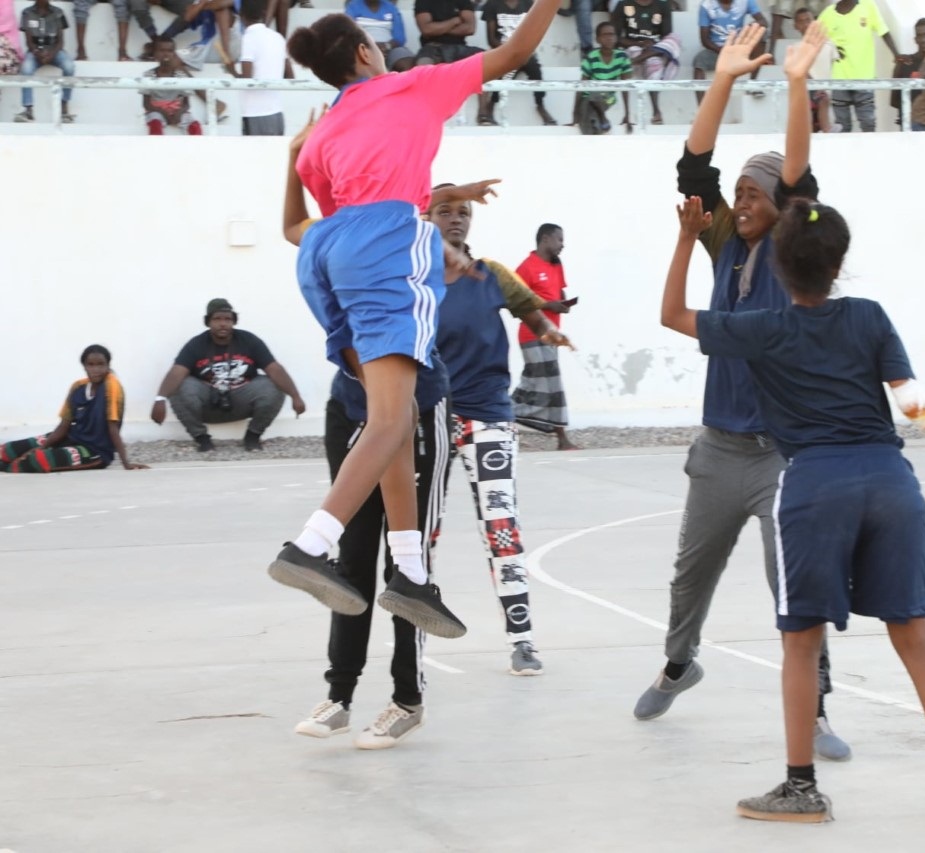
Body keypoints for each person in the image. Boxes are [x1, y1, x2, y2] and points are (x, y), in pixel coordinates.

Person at [661, 26, 925, 826]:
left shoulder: (763, 324)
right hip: (890, 481)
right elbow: (910, 399)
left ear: (784, 236)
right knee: (914, 634)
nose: (740, 203)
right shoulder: (868, 310)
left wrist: (679, 240)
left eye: (757, 197)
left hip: (807, 478)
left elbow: (674, 313)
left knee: (800, 636)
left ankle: (801, 783)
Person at [270, 7, 558, 638]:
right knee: (393, 420)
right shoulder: (412, 84)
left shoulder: (324, 135)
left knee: (390, 419)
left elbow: (312, 224)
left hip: (327, 256)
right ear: (367, 55)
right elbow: (510, 56)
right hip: (387, 251)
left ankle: (409, 573)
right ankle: (311, 545)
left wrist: (293, 156)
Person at [631, 25, 852, 769]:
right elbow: (693, 168)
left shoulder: (794, 251)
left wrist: (794, 84)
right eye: (743, 193)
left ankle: (816, 706)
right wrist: (722, 79)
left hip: (783, 455)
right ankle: (677, 661)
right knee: (691, 575)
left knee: (793, 583)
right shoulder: (724, 240)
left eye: (760, 192)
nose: (747, 199)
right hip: (719, 447)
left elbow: (795, 172)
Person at [427, 184, 574, 674]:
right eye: (443, 211)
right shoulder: (413, 278)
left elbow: (528, 307)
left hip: (489, 415)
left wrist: (548, 328)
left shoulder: (492, 274)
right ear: (425, 217)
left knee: (501, 529)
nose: (455, 219)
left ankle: (523, 640)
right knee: (421, 533)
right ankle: (414, 639)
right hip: (430, 417)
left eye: (462, 212)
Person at [295, 365, 451, 749]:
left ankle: (407, 699)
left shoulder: (410, 306)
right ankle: (339, 696)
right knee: (351, 559)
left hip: (419, 410)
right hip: (352, 411)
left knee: (406, 567)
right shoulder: (333, 304)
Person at [152, 299, 304, 452]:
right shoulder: (196, 344)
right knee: (179, 386)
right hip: (208, 402)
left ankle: (253, 437)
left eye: (227, 319)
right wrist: (160, 399)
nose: (223, 324)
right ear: (208, 322)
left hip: (241, 399)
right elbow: (177, 371)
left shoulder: (249, 341)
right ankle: (202, 439)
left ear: (234, 321)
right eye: (217, 319)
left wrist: (296, 397)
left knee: (274, 385)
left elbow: (274, 369)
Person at [2, 346, 147, 474]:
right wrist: (43, 446)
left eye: (100, 364)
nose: (96, 369)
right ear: (84, 366)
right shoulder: (77, 387)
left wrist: (126, 462)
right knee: (7, 450)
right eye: (90, 364)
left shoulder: (112, 386)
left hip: (94, 451)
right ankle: (9, 462)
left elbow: (113, 428)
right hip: (71, 438)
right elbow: (64, 426)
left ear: (108, 365)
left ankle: (9, 467)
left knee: (37, 460)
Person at [513, 225, 579, 450]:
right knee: (549, 382)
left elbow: (559, 292)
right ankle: (561, 438)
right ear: (545, 239)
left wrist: (563, 304)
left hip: (552, 335)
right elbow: (516, 301)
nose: (562, 244)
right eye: (559, 239)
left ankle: (505, 416)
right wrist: (547, 305)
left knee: (541, 383)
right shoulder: (526, 268)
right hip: (531, 335)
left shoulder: (556, 265)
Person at [817, 0, 903, 134]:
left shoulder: (868, 6)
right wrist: (832, 49)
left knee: (868, 124)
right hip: (839, 81)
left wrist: (896, 54)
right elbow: (817, 43)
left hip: (865, 79)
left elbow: (883, 31)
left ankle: (868, 154)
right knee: (842, 127)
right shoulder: (827, 15)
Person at [480, 0, 557, 126]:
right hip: (502, 51)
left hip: (524, 52)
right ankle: (492, 105)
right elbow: (491, 39)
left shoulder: (528, 4)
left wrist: (522, 51)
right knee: (503, 71)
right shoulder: (492, 4)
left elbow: (533, 34)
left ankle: (540, 105)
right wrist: (509, 52)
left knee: (535, 70)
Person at [225, 0, 293, 136]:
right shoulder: (278, 37)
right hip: (277, 113)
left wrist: (232, 71)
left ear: (241, 15)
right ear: (264, 13)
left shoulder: (249, 38)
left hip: (255, 114)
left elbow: (247, 81)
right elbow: (290, 77)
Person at [612, 0, 679, 124]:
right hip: (633, 47)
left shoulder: (663, 5)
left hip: (656, 48)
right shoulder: (623, 4)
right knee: (652, 62)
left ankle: (638, 60)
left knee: (674, 39)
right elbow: (615, 38)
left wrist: (653, 46)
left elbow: (667, 37)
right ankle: (656, 111)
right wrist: (640, 43)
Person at [692, 0, 768, 104]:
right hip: (717, 50)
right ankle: (701, 109)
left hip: (740, 46)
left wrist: (751, 26)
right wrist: (724, 51)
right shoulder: (707, 5)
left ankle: (752, 84)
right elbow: (705, 41)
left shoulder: (745, 1)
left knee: (762, 32)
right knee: (699, 61)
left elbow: (764, 22)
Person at [15, 0, 74, 124]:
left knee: (69, 66)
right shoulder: (27, 13)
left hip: (55, 51)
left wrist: (52, 54)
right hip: (35, 51)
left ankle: (64, 107)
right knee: (26, 68)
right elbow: (29, 41)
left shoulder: (58, 13)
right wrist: (37, 53)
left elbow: (61, 41)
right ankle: (28, 109)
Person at [577, 21, 633, 134]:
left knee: (588, 109)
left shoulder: (622, 57)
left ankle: (602, 117)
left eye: (612, 34)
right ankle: (601, 120)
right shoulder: (591, 57)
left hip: (608, 98)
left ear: (616, 37)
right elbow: (581, 86)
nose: (609, 38)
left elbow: (625, 87)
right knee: (587, 119)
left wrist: (627, 115)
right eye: (605, 35)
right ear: (598, 39)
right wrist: (574, 114)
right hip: (589, 98)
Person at [140, 37, 204, 135]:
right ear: (155, 53)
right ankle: (155, 148)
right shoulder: (148, 75)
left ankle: (197, 148)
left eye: (169, 51)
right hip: (156, 110)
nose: (166, 54)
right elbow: (146, 104)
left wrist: (179, 113)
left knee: (194, 126)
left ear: (174, 54)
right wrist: (163, 113)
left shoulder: (181, 75)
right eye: (162, 50)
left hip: (177, 110)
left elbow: (186, 104)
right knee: (155, 124)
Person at [791, 7, 840, 133]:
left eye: (808, 20)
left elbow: (837, 68)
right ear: (795, 26)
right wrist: (816, 85)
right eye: (801, 21)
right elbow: (800, 71)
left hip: (824, 95)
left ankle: (826, 128)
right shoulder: (795, 49)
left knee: (823, 100)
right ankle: (826, 128)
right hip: (806, 94)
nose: (805, 24)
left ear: (815, 22)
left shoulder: (828, 45)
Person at [890, 17, 925, 130]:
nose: (923, 39)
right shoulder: (904, 63)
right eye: (920, 35)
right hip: (911, 124)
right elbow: (894, 100)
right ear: (915, 39)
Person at [414, 0, 483, 66]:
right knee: (423, 66)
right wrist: (454, 21)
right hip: (433, 47)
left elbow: (470, 29)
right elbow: (427, 30)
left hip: (460, 47)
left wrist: (437, 28)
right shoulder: (423, 1)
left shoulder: (463, 1)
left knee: (488, 60)